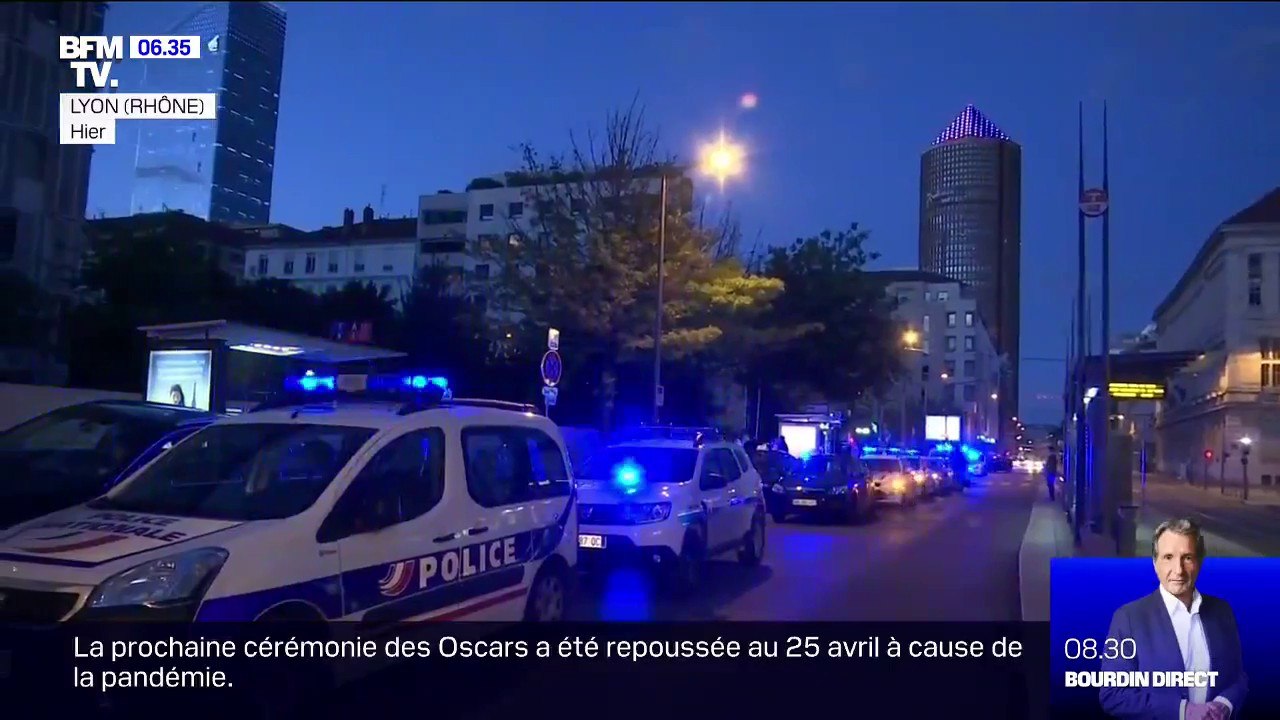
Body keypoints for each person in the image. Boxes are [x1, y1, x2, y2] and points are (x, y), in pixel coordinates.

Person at [1099, 518, 1247, 720]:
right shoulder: (1128, 619)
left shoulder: (1222, 612)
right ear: (1154, 563)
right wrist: (1183, 711)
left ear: (1200, 561)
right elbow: (1113, 694)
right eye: (1168, 557)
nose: (1178, 570)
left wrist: (1224, 705)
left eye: (1187, 557)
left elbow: (1238, 678)